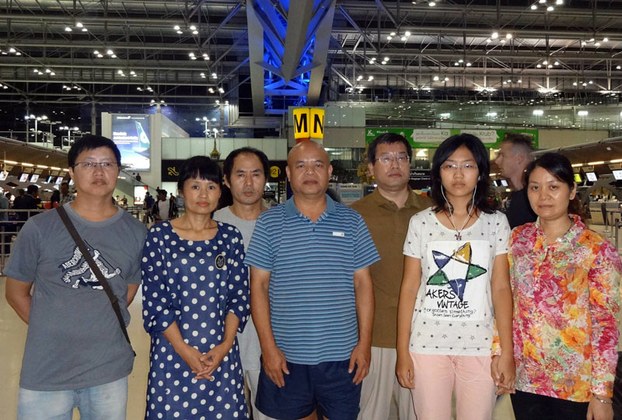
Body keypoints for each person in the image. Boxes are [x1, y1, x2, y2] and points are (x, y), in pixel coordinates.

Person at [4, 134, 147, 419]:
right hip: (47, 371)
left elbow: (127, 290)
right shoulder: (40, 228)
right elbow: (15, 292)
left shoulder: (136, 233)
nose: (98, 171)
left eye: (107, 163)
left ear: (118, 171)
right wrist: (54, 326)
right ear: (72, 172)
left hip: (108, 370)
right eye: (88, 164)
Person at [245, 140, 379, 419]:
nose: (310, 172)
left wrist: (364, 345)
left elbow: (363, 285)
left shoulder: (352, 221)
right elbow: (257, 287)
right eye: (301, 165)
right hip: (286, 356)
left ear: (329, 171)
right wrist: (268, 349)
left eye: (317, 165)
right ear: (288, 174)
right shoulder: (269, 223)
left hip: (342, 356)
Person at [396, 133, 515, 420]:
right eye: (449, 166)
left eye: (468, 166)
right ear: (438, 173)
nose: (458, 174)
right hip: (427, 345)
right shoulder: (421, 223)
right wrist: (402, 351)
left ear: (480, 172)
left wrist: (508, 352)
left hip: (480, 345)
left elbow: (501, 288)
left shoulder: (496, 222)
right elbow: (409, 288)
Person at [509, 152, 621, 420]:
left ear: (571, 191)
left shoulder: (596, 248)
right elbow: (506, 301)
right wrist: (500, 355)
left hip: (576, 385)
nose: (543, 196)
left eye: (553, 187)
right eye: (535, 187)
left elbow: (606, 325)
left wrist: (602, 394)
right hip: (526, 379)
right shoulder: (517, 239)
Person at [141, 155, 250, 419]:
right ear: (181, 191)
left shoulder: (230, 237)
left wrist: (224, 346)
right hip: (172, 354)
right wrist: (185, 351)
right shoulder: (160, 236)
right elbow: (156, 302)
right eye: (195, 186)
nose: (203, 194)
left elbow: (239, 297)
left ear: (220, 192)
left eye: (211, 187)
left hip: (220, 354)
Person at [350, 133, 431, 420]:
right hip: (373, 339)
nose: (394, 164)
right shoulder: (353, 216)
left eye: (401, 157)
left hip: (424, 339)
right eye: (385, 158)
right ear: (371, 168)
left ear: (410, 164)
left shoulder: (432, 212)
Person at [213, 147, 275, 420]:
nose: (248, 183)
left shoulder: (282, 222)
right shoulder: (212, 224)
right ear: (226, 179)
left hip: (272, 346)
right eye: (240, 174)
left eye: (256, 174)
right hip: (222, 345)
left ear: (266, 178)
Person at [494, 133, 537, 228]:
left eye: (503, 155)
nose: (497, 161)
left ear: (519, 159)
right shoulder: (516, 197)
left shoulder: (533, 200)